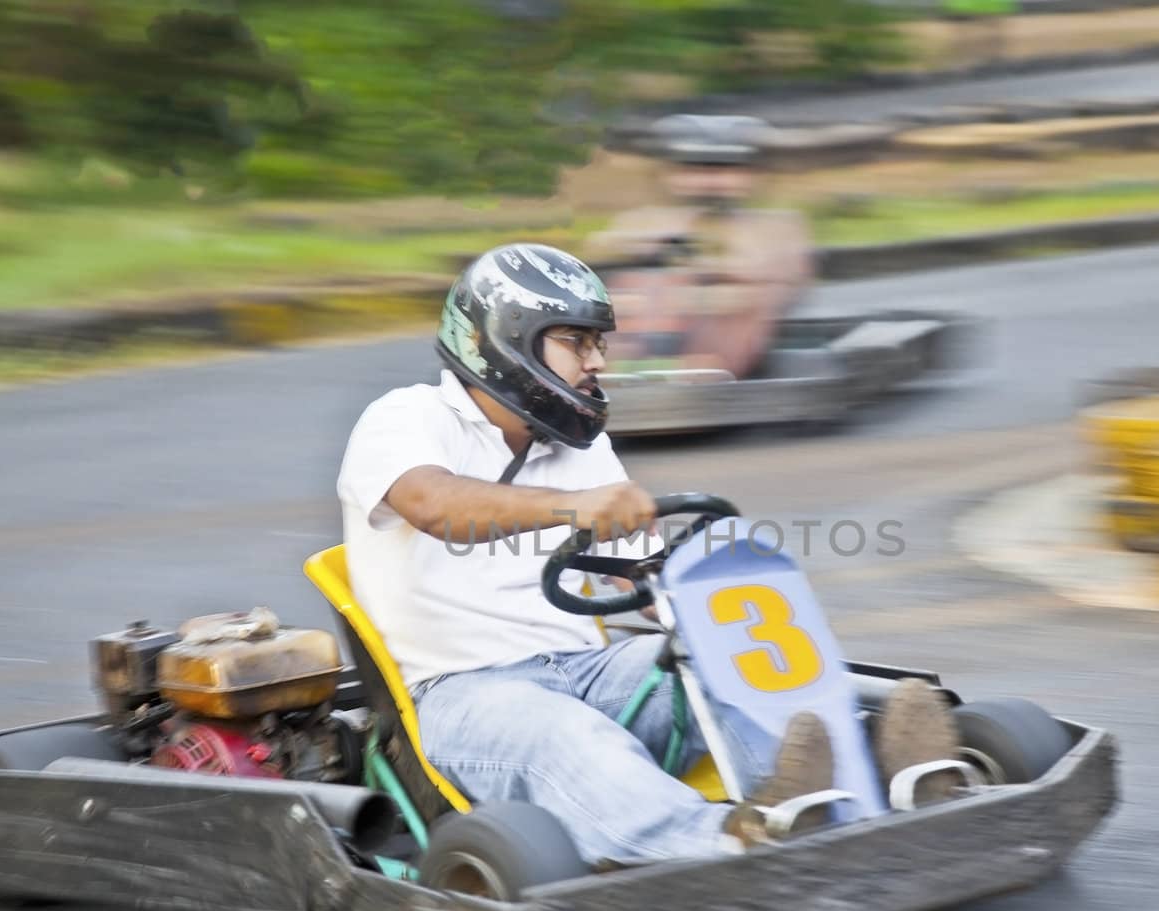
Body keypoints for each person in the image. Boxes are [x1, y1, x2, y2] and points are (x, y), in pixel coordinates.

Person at [336, 243, 959, 868]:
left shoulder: (575, 447)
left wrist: (691, 603)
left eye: (597, 343)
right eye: (577, 342)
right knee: (562, 733)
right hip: (463, 697)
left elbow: (645, 567)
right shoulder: (406, 417)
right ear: (507, 342)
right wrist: (572, 508)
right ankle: (734, 842)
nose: (598, 360)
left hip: (589, 671)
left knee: (730, 652)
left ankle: (870, 789)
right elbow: (433, 503)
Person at [584, 114, 812, 382]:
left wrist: (711, 271)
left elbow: (774, 278)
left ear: (752, 174)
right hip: (645, 342)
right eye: (694, 168)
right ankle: (629, 373)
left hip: (726, 352)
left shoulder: (774, 227)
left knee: (738, 297)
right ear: (670, 172)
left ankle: (687, 375)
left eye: (725, 169)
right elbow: (604, 259)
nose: (710, 180)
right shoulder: (643, 221)